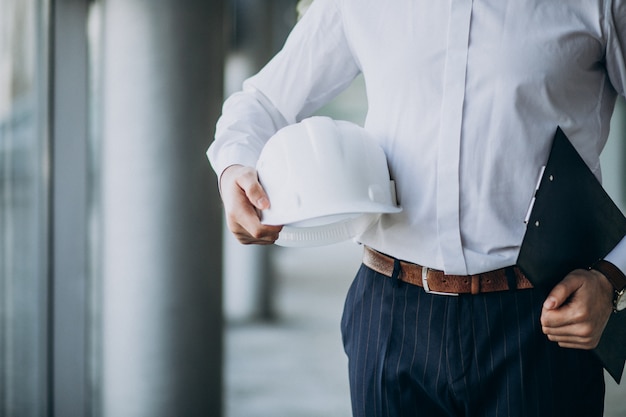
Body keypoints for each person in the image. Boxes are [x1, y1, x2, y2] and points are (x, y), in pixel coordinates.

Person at [208, 0, 626, 416]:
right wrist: (233, 171)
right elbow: (263, 101)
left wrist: (611, 280)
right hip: (389, 315)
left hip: (543, 319)